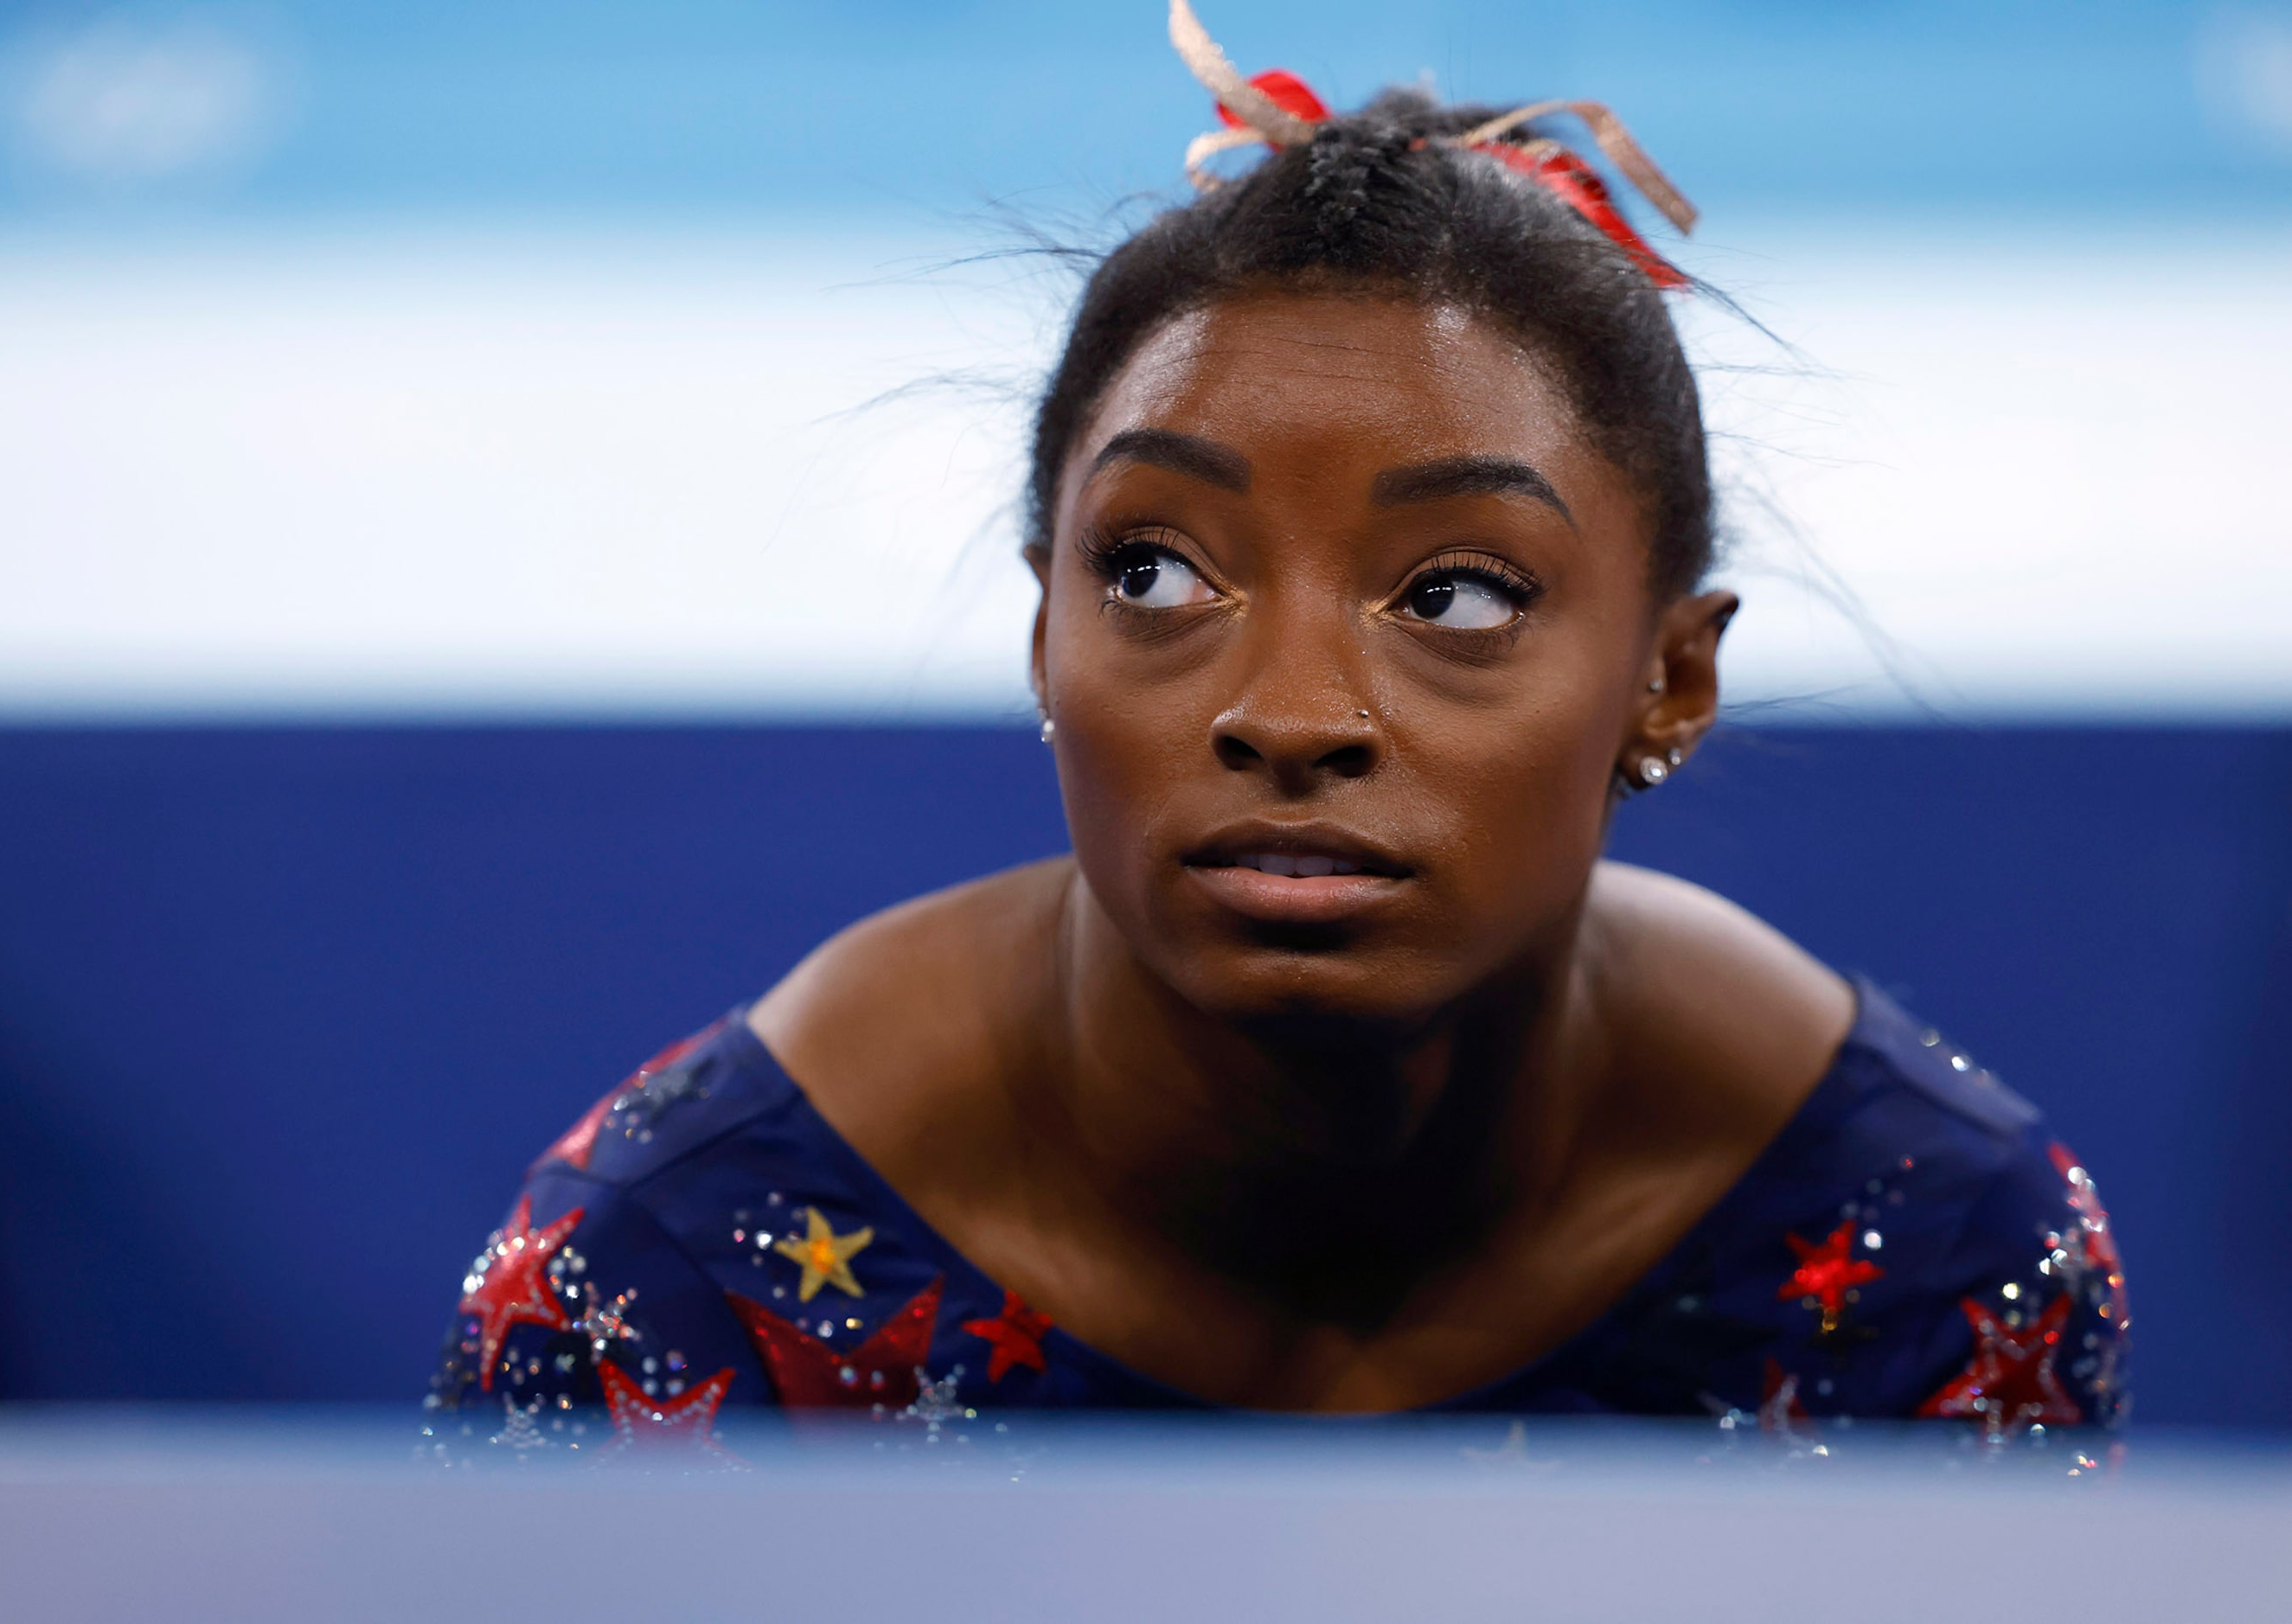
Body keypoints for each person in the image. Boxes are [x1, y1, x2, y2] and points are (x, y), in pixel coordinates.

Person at [429, 3, 2126, 1446]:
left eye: (1457, 596)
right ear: (1044, 639)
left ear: (1668, 681)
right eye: (1158, 574)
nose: (1289, 715)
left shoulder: (1925, 1257)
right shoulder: (682, 1278)